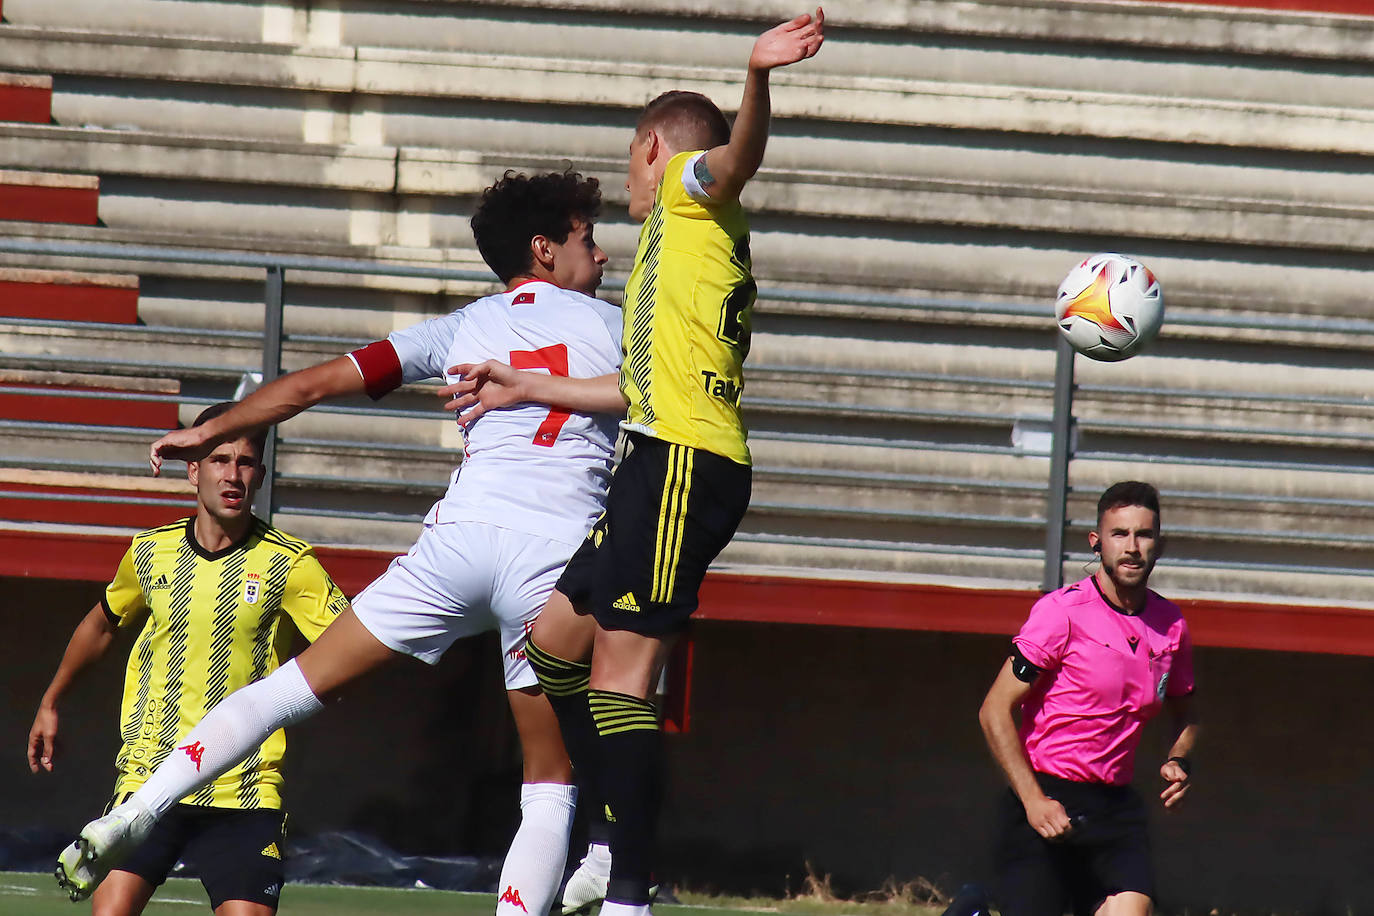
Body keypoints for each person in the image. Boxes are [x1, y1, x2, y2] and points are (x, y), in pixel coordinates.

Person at [57, 169, 629, 916]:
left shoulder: (461, 327)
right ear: (545, 249)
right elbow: (676, 401)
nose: (602, 255)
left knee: (282, 692)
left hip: (459, 543)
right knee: (549, 785)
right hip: (551, 559)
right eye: (589, 237)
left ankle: (137, 810)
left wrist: (213, 428)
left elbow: (312, 386)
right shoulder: (617, 325)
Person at [446, 12, 825, 916]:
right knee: (551, 647)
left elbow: (734, 160)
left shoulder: (691, 194)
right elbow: (634, 385)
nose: (625, 178)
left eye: (629, 156)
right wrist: (525, 386)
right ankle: (614, 844)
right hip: (657, 456)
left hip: (685, 465)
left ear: (653, 148)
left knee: (623, 676)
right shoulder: (676, 247)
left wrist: (756, 77)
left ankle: (628, 891)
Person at [36, 402, 349, 915]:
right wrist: (52, 700)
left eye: (245, 462)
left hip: (244, 791)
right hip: (148, 779)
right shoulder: (150, 552)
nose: (232, 475)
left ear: (260, 475)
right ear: (193, 470)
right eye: (220, 460)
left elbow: (350, 645)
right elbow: (100, 625)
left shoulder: (290, 563)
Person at [977, 481, 1198, 916]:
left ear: (1160, 545)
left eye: (1144, 535)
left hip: (1114, 811)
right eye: (1120, 534)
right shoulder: (1061, 613)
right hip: (1046, 799)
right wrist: (1033, 801)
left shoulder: (1170, 624)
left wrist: (1181, 760)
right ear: (1096, 543)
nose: (1132, 548)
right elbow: (994, 710)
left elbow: (1189, 713)